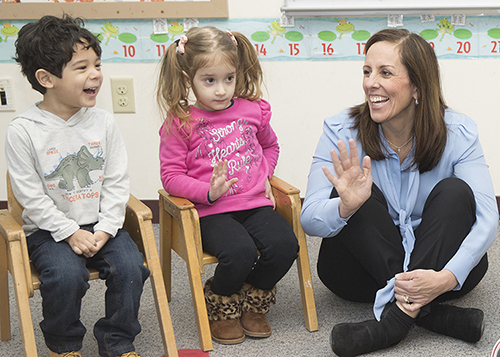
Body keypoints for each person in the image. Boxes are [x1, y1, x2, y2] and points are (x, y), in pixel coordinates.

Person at [301, 28, 498, 357]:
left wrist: (448, 278)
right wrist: (344, 208)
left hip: (439, 272)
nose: (370, 83)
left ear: (418, 86)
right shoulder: (340, 130)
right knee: (356, 196)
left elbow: (488, 217)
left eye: (385, 73)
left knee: (455, 192)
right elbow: (309, 218)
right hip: (358, 272)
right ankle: (429, 313)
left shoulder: (458, 132)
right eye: (367, 71)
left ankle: (395, 322)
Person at [5, 15, 149, 357]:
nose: (96, 74)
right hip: (48, 228)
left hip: (102, 223)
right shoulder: (24, 130)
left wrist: (108, 226)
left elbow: (116, 181)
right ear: (46, 78)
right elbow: (29, 197)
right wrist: (69, 231)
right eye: (82, 67)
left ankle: (117, 340)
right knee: (67, 276)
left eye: (97, 64)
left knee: (132, 269)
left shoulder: (104, 122)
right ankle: (64, 343)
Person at [157, 26, 299, 345]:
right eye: (210, 80)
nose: (221, 90)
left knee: (285, 246)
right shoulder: (181, 122)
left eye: (229, 78)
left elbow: (270, 147)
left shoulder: (253, 110)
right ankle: (221, 301)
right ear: (187, 78)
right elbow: (170, 177)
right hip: (211, 211)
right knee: (239, 252)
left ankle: (253, 297)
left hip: (254, 205)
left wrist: (265, 175)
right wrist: (207, 192)